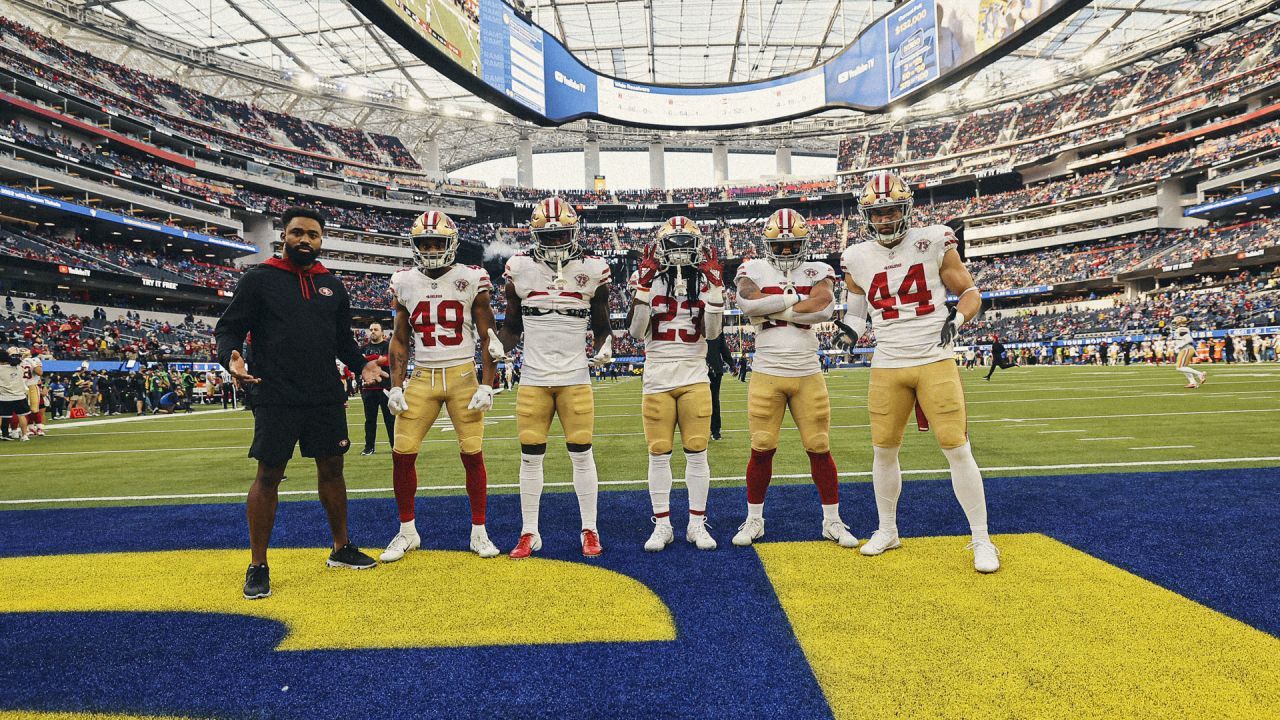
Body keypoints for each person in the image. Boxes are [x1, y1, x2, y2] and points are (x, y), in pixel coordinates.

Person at [215, 206, 388, 600]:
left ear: (321, 240)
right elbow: (229, 328)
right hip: (275, 392)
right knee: (269, 474)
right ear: (284, 237)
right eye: (297, 233)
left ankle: (341, 548)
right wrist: (231, 358)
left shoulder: (332, 284)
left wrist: (363, 366)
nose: (304, 240)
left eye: (312, 234)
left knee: (333, 469)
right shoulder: (260, 278)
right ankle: (258, 564)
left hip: (325, 392)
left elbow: (342, 340)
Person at [841, 170, 998, 573]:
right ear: (866, 216)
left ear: (906, 209)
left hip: (933, 356)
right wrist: (848, 332)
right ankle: (887, 529)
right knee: (883, 450)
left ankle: (981, 538)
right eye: (877, 213)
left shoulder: (934, 241)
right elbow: (857, 312)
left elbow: (970, 292)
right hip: (887, 362)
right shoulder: (856, 257)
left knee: (956, 447)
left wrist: (957, 320)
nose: (885, 219)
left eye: (892, 210)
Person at [731, 208, 859, 550]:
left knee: (819, 447)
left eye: (793, 245)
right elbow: (746, 301)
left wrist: (771, 307)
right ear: (767, 243)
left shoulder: (820, 269)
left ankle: (832, 520)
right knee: (761, 447)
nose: (787, 252)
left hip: (806, 371)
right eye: (780, 245)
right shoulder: (752, 267)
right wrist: (793, 301)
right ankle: (754, 519)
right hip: (767, 371)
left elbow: (822, 308)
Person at [380, 210, 501, 562]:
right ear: (414, 246)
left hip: (463, 375)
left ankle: (479, 531)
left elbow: (487, 336)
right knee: (402, 453)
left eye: (438, 242)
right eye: (425, 243)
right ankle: (407, 532)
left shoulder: (471, 277)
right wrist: (397, 386)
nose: (431, 249)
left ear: (452, 244)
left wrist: (487, 384)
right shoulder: (404, 281)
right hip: (422, 376)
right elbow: (400, 339)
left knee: (472, 453)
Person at [497, 197, 612, 559]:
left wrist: (604, 345)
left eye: (561, 234)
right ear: (535, 235)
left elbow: (602, 321)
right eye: (548, 236)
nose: (555, 242)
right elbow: (513, 324)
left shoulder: (593, 268)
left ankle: (590, 528)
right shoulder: (518, 267)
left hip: (575, 376)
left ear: (574, 231)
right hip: (533, 376)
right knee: (530, 456)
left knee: (581, 453)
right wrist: (498, 345)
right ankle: (529, 531)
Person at [626, 216, 725, 552]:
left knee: (697, 452)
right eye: (675, 243)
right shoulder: (647, 280)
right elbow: (636, 332)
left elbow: (712, 334)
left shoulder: (704, 280)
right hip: (657, 375)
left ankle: (696, 523)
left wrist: (714, 288)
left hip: (694, 374)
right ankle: (663, 524)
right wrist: (644, 285)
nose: (681, 251)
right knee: (658, 454)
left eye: (687, 243)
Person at [358, 322, 394, 456]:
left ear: (382, 332)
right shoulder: (364, 347)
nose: (372, 331)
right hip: (369, 389)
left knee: (390, 419)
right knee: (369, 420)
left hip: (385, 387)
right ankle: (369, 447)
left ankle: (395, 446)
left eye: (376, 329)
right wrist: (376, 359)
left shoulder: (388, 345)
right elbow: (359, 363)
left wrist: (368, 360)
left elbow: (386, 360)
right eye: (371, 329)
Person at [705, 326, 737, 442]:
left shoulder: (716, 329)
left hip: (708, 369)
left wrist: (731, 364)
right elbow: (723, 348)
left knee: (711, 401)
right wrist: (731, 364)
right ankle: (713, 431)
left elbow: (723, 348)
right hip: (705, 368)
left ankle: (713, 430)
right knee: (710, 401)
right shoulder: (715, 327)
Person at [0, 348, 30, 441]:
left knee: (1, 416)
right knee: (21, 415)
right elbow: (22, 358)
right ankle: (25, 435)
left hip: (4, 397)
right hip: (19, 395)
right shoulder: (19, 366)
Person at [1172, 316, 1207, 388]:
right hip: (1185, 349)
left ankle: (1200, 374)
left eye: (1175, 321)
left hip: (1186, 349)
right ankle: (1193, 382)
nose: (1174, 323)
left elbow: (1189, 339)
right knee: (1184, 367)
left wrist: (1178, 346)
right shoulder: (1180, 329)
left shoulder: (1182, 329)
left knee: (1179, 367)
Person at [18, 348, 43, 435]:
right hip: (20, 387)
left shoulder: (35, 360)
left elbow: (40, 372)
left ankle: (39, 427)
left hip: (32, 385)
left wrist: (32, 363)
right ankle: (30, 427)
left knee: (34, 408)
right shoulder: (16, 361)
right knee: (24, 409)